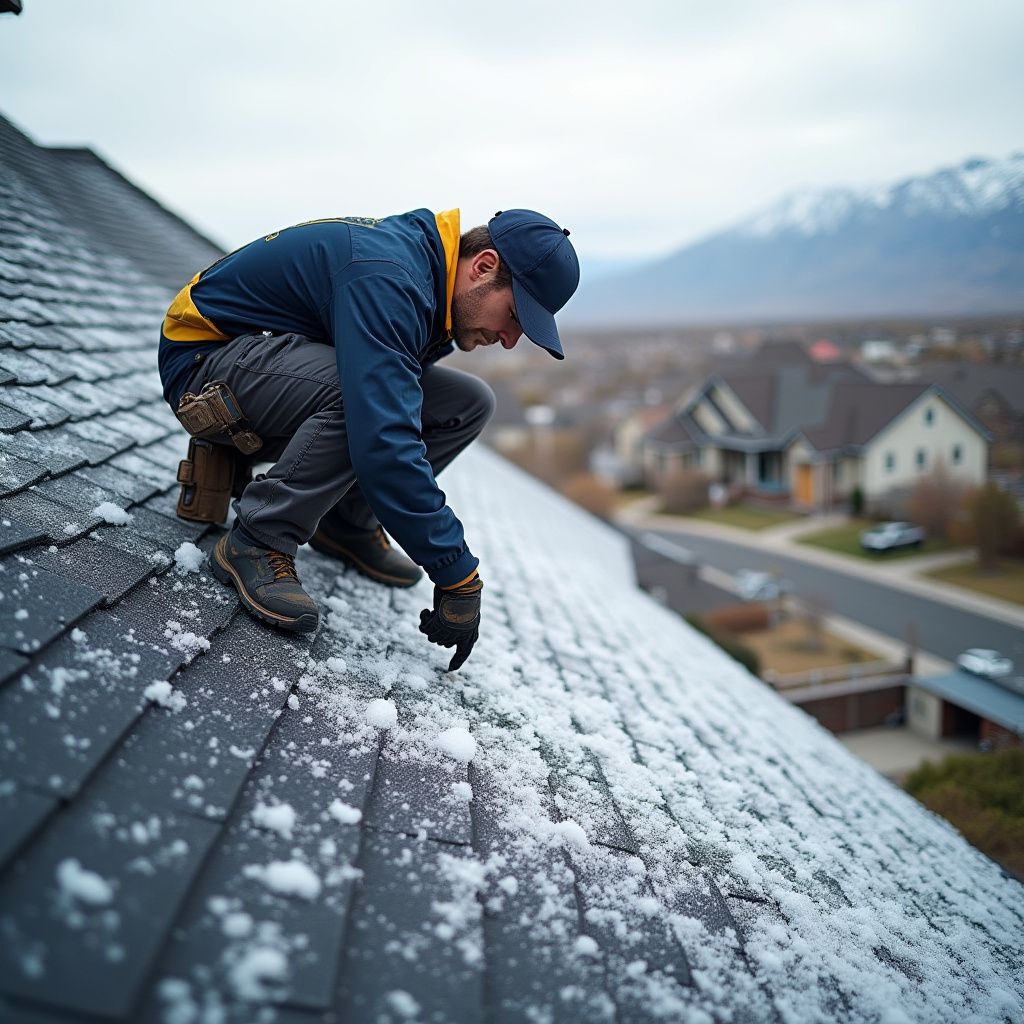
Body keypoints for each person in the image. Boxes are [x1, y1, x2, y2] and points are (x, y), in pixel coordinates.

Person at [158, 208, 580, 670]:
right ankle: (259, 537)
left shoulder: (433, 286)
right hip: (205, 364)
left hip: (266, 368)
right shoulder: (391, 277)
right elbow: (384, 435)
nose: (510, 339)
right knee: (364, 398)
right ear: (483, 266)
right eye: (516, 316)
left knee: (467, 402)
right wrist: (457, 572)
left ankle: (346, 521)